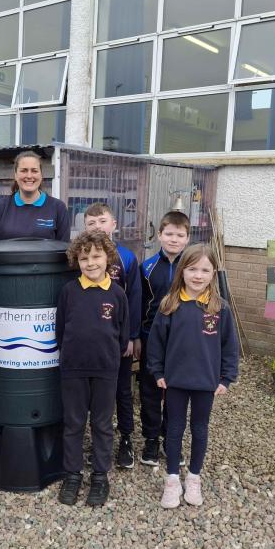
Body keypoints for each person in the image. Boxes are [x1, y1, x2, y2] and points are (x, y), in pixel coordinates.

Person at [146, 244, 239, 509]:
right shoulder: (169, 305)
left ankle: (194, 478)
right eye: (192, 269)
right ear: (182, 271)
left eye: (205, 270)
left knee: (200, 429)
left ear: (213, 274)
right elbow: (156, 343)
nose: (198, 275)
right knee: (174, 429)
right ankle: (172, 480)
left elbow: (229, 347)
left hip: (205, 382)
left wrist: (226, 377)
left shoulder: (219, 308)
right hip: (175, 381)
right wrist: (158, 371)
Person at [56, 231, 129, 507]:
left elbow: (123, 334)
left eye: (96, 256)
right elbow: (60, 330)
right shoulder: (69, 291)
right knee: (73, 424)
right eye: (84, 257)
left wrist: (111, 356)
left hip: (106, 369)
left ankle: (100, 476)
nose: (91, 262)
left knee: (102, 424)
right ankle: (72, 475)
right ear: (77, 260)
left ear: (107, 257)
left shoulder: (117, 294)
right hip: (73, 368)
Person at [83, 202, 141, 469]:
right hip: (90, 341)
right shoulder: (80, 257)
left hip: (118, 340)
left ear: (114, 225)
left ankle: (126, 439)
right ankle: (95, 441)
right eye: (92, 223)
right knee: (92, 393)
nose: (98, 227)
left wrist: (131, 336)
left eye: (103, 221)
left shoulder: (127, 258)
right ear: (84, 227)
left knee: (121, 391)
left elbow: (134, 299)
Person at [134, 211, 190, 467]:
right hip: (150, 339)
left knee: (176, 391)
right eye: (169, 234)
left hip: (180, 342)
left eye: (180, 235)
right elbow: (137, 303)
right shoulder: (146, 267)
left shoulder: (191, 269)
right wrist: (136, 337)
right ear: (159, 236)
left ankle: (171, 438)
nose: (174, 239)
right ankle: (151, 439)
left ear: (187, 238)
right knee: (150, 391)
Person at [0, 150, 70, 242]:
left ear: (41, 175)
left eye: (34, 171)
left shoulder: (58, 208)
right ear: (15, 175)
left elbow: (64, 249)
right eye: (24, 170)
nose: (29, 176)